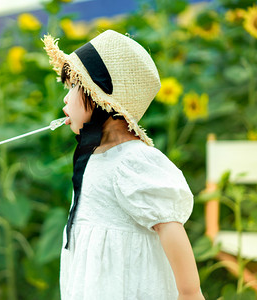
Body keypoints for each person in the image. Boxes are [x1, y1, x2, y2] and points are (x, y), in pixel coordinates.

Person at [42, 30, 205, 300]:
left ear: (100, 98)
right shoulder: (96, 157)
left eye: (73, 86)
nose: (65, 98)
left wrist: (189, 293)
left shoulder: (132, 161)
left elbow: (169, 224)